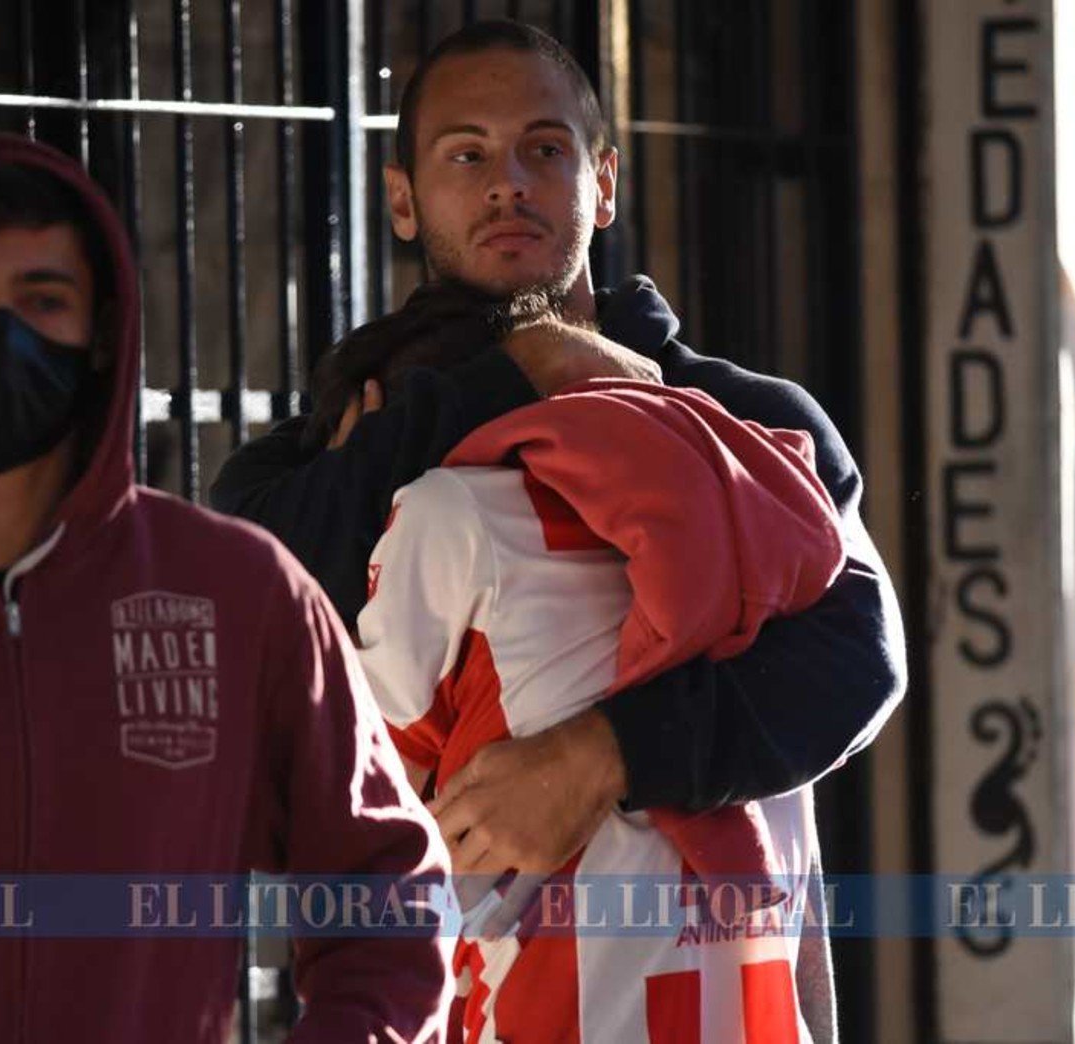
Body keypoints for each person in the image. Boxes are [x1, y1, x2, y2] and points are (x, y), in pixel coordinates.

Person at [210, 20, 905, 902]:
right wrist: (525, 369)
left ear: (602, 183)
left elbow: (857, 661)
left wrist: (603, 755)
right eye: (466, 155)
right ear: (402, 199)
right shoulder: (349, 427)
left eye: (543, 149)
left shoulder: (746, 419)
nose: (507, 182)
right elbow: (245, 613)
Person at [0, 134, 450, 1043]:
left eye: (43, 300)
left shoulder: (232, 595)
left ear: (101, 336)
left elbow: (386, 893)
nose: (1, 337)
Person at [328, 284, 842, 1041]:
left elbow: (363, 805)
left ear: (382, 412)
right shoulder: (755, 535)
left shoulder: (449, 515)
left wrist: (346, 482)